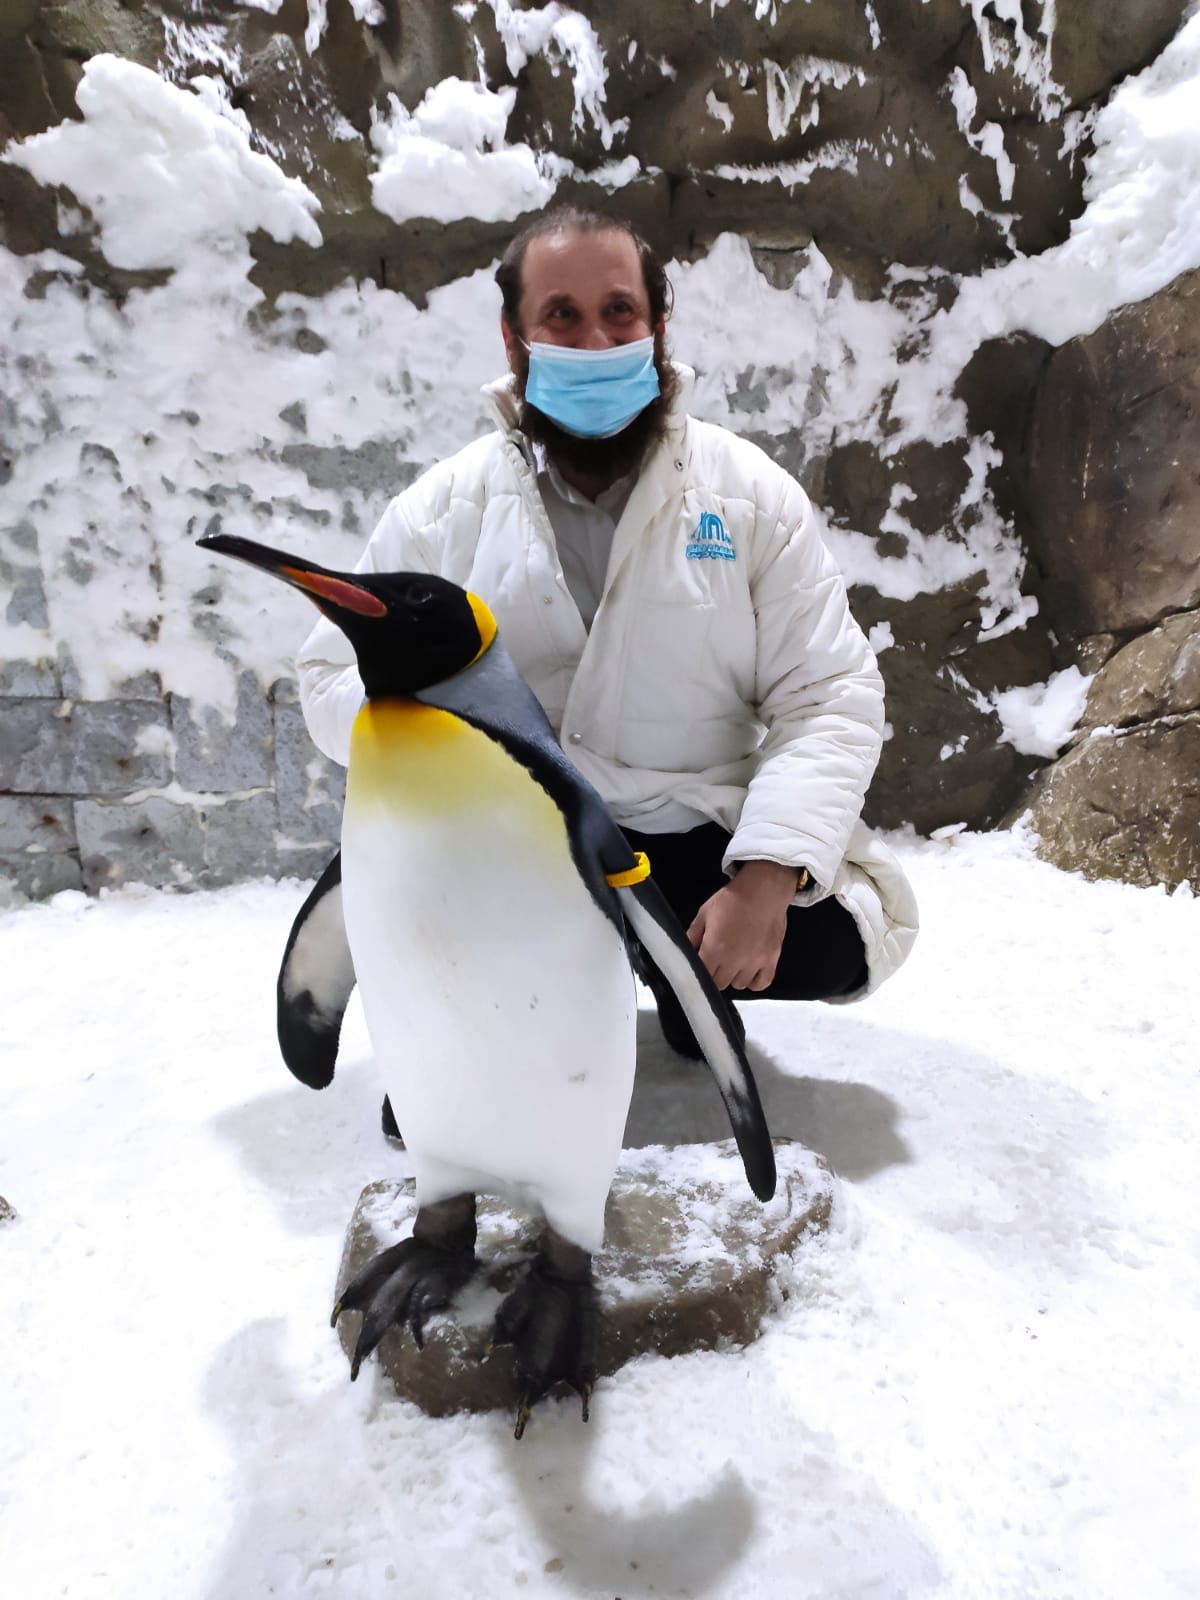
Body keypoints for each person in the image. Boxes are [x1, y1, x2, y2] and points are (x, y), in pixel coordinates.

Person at [297, 204, 918, 1062]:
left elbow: (830, 693)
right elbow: (330, 679)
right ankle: (487, 1034)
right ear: (515, 342)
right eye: (562, 315)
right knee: (439, 947)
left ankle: (684, 976)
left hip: (691, 832)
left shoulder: (747, 496)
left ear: (659, 325)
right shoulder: (441, 512)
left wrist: (770, 877)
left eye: (619, 311)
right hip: (509, 845)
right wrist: (427, 714)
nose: (594, 342)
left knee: (830, 943)